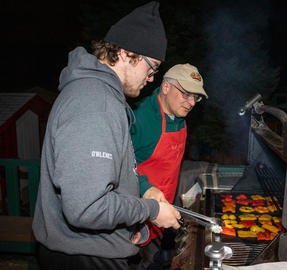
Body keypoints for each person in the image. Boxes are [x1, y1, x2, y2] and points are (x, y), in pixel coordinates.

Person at [32, 2, 181, 269]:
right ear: (125, 53)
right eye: (152, 67)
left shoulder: (101, 96)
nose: (151, 78)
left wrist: (140, 199)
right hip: (85, 258)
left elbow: (106, 180)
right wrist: (152, 212)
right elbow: (86, 208)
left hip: (94, 248)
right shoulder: (95, 102)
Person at [129, 64, 208, 269]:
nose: (191, 103)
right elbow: (118, 168)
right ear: (165, 87)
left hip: (166, 214)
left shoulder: (179, 116)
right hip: (138, 218)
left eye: (196, 97)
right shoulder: (140, 119)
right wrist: (145, 190)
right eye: (186, 94)